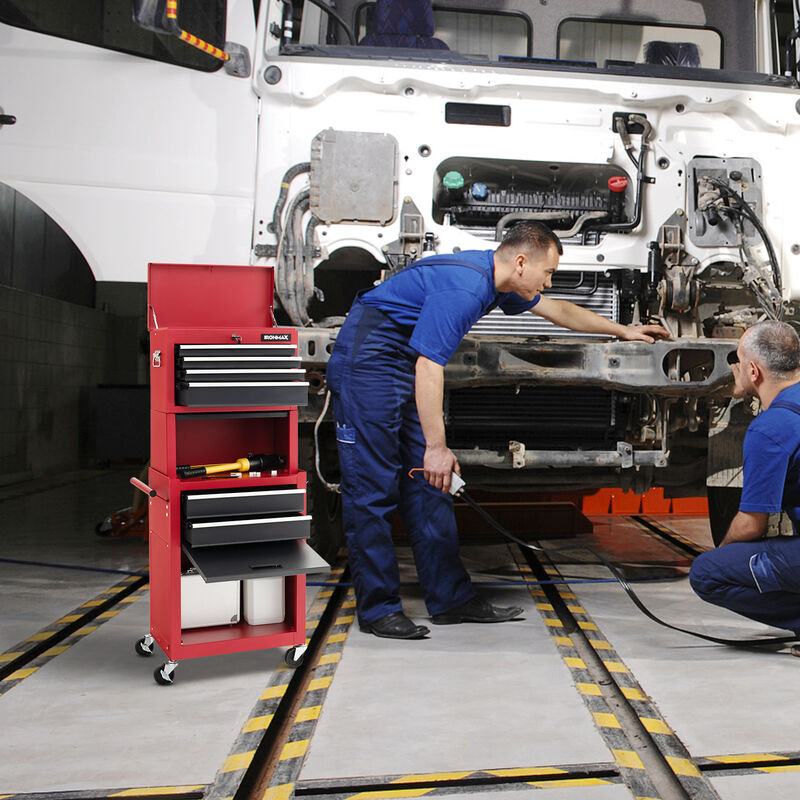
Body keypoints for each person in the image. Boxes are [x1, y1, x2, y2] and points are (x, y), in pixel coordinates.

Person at [326, 221, 670, 639]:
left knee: (432, 484)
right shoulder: (466, 288)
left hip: (401, 363)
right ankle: (378, 609)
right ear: (521, 262)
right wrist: (436, 446)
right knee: (374, 486)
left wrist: (623, 331)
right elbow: (429, 366)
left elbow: (557, 310)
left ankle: (451, 599)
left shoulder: (500, 281)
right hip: (369, 359)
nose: (548, 281)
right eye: (547, 272)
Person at [690, 320, 800, 635]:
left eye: (738, 362)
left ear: (753, 372)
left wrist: (722, 553)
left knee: (708, 573)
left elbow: (752, 524)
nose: (734, 368)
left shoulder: (770, 429)